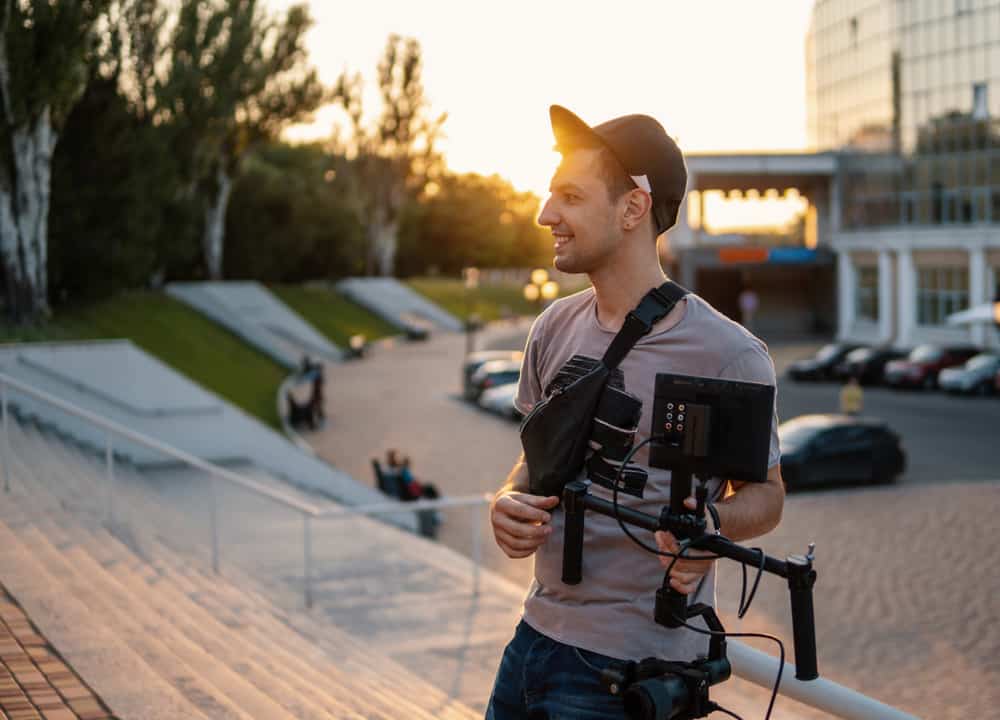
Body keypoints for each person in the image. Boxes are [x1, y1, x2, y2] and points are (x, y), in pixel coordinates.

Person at [486, 106, 785, 719]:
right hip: (531, 642)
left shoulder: (728, 353)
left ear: (633, 208)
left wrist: (710, 524)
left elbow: (767, 496)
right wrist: (507, 502)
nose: (547, 215)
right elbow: (531, 463)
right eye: (550, 195)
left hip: (631, 672)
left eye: (570, 196)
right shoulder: (553, 328)